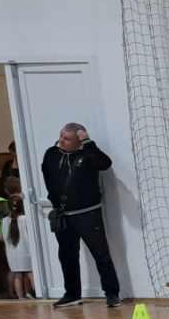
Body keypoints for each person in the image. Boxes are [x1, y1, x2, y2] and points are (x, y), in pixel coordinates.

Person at [42, 123, 121, 308]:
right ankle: (72, 294)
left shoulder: (88, 154)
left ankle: (112, 294)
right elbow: (48, 178)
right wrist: (55, 201)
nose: (61, 141)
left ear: (79, 141)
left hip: (87, 214)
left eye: (67, 139)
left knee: (101, 254)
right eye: (61, 136)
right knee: (67, 256)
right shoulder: (51, 154)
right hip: (63, 215)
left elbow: (105, 164)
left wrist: (88, 142)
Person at [0, 176, 34, 299]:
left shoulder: (4, 221)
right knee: (30, 273)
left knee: (17, 275)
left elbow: (0, 237)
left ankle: (21, 297)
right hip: (27, 252)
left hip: (12, 255)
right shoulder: (25, 219)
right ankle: (35, 293)